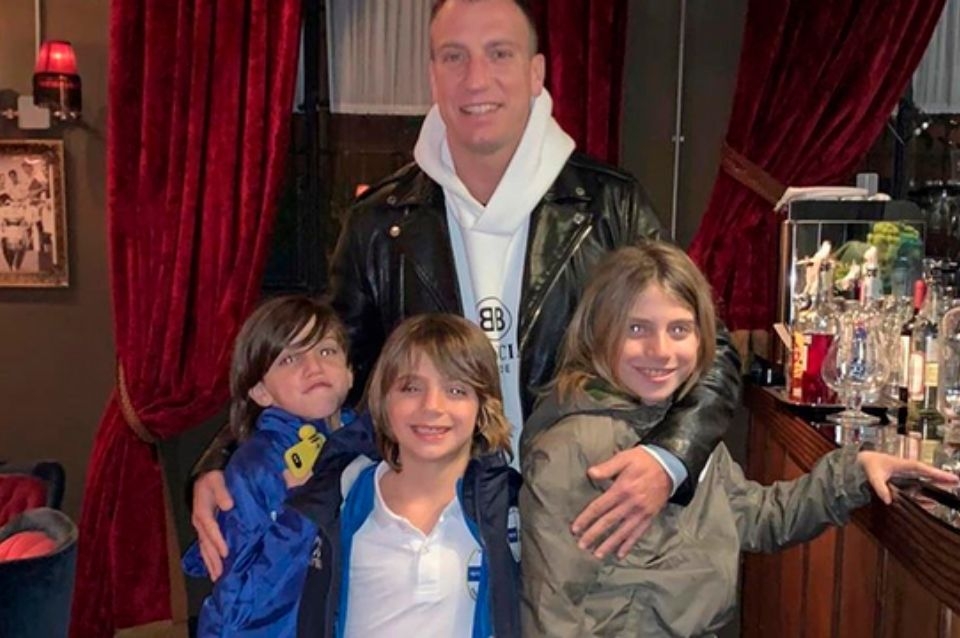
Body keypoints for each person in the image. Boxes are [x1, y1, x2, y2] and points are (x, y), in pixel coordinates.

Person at [191, 0, 741, 577]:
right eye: (454, 57)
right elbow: (324, 370)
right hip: (436, 538)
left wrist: (667, 459)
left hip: (587, 523)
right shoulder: (378, 221)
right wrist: (227, 457)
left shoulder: (610, 206)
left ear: (536, 73)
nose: (476, 78)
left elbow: (713, 351)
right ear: (433, 76)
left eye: (499, 53)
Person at [519, 242, 959, 637]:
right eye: (637, 329)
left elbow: (759, 517)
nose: (661, 351)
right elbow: (552, 610)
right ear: (598, 333)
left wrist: (855, 471)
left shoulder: (682, 431)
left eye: (679, 329)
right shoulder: (571, 447)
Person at [282, 313, 520, 637]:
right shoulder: (339, 502)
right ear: (383, 400)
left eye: (456, 390)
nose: (432, 406)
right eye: (411, 388)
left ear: (483, 406)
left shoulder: (512, 506)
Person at [181, 296, 356, 637]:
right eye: (290, 358)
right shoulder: (256, 468)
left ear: (349, 373)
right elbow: (237, 604)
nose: (314, 367)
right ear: (261, 391)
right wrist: (300, 516)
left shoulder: (367, 448)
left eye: (326, 351)